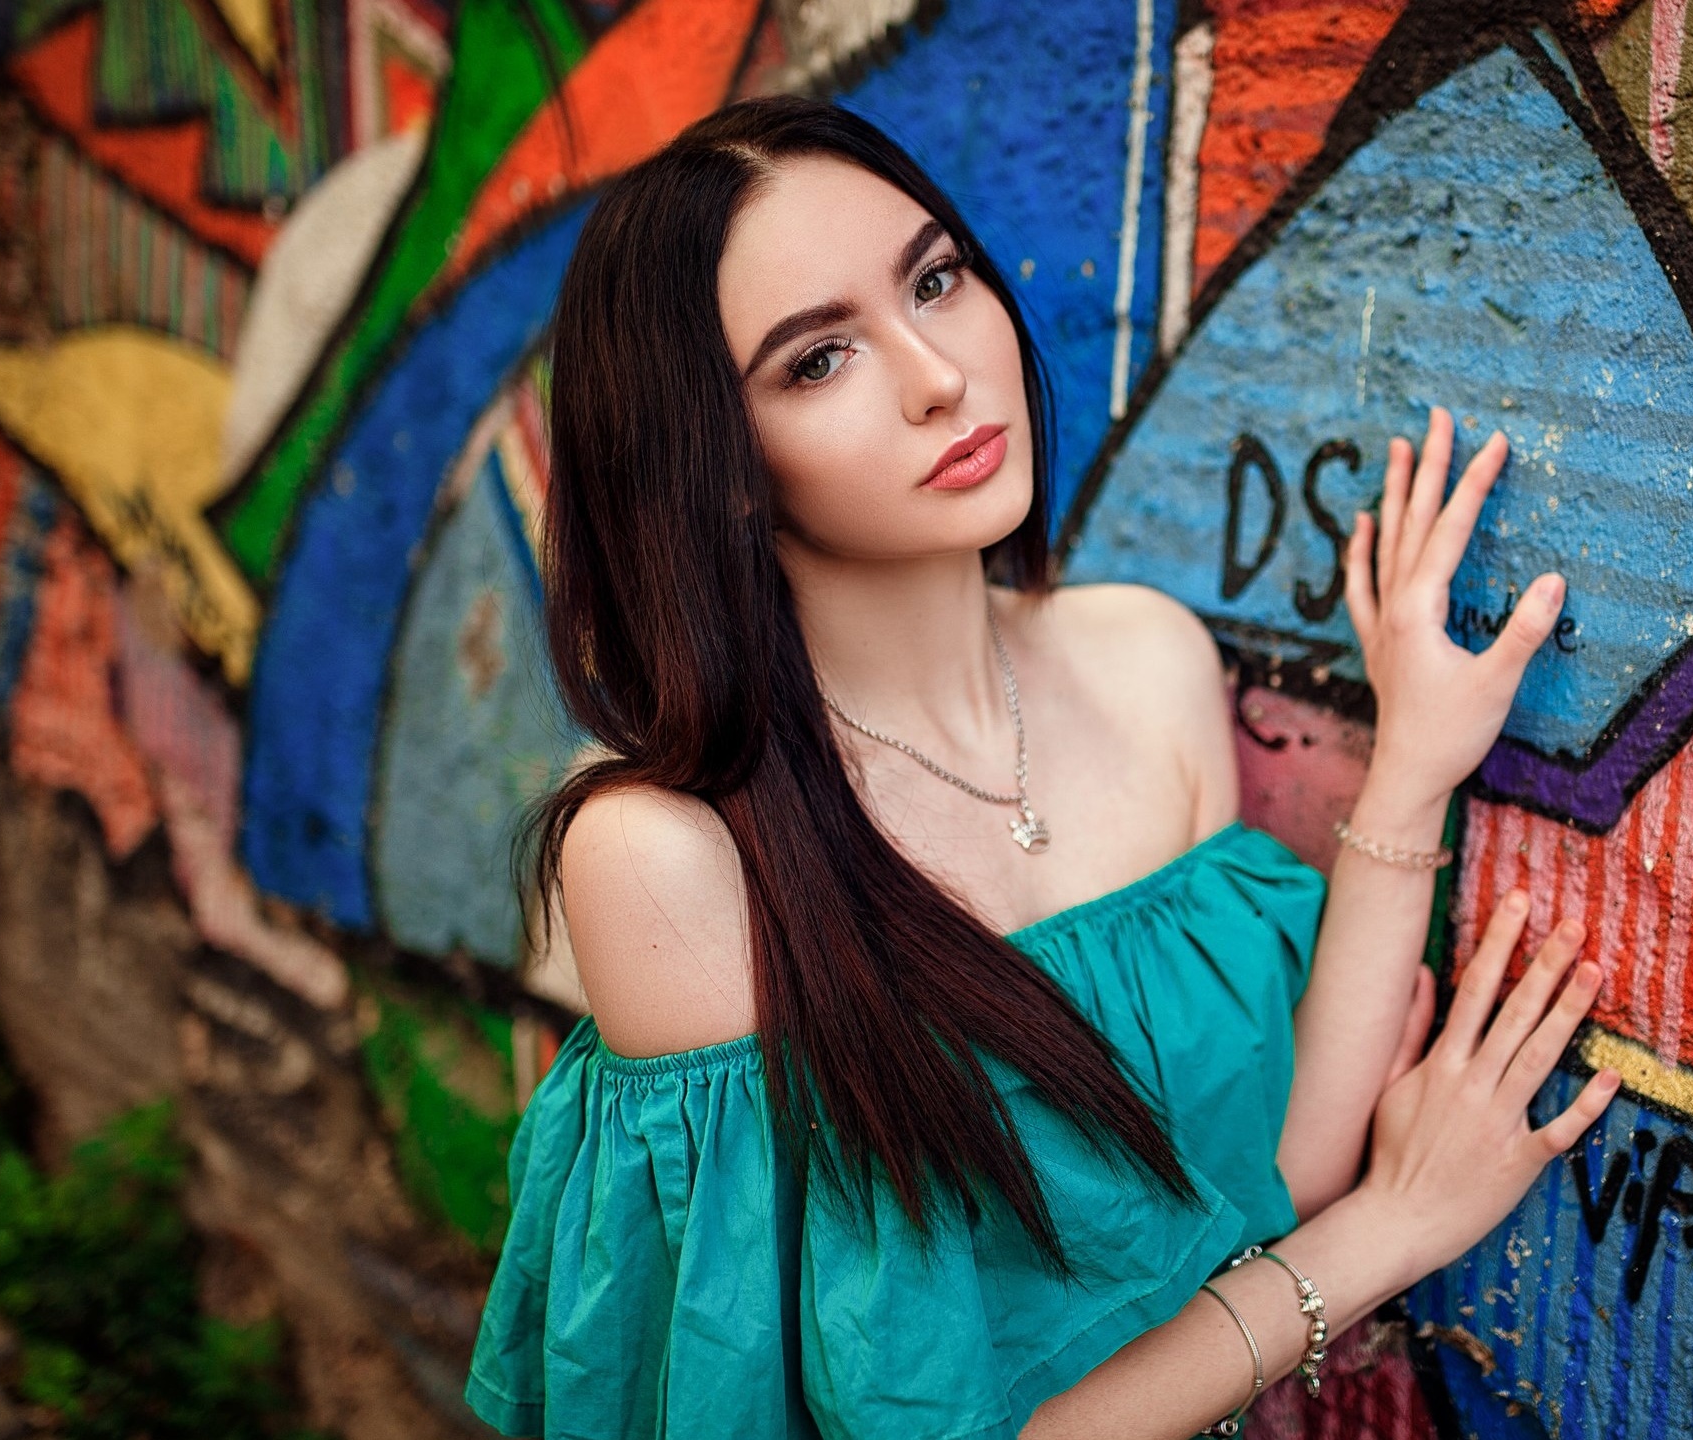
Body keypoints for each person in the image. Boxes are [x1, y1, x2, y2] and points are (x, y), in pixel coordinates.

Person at [464, 96, 1619, 1440]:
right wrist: (1393, 1232)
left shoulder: (1144, 659)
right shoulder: (673, 855)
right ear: (717, 468)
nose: (939, 373)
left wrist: (1414, 764)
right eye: (818, 360)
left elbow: (1273, 1166)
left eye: (936, 281)